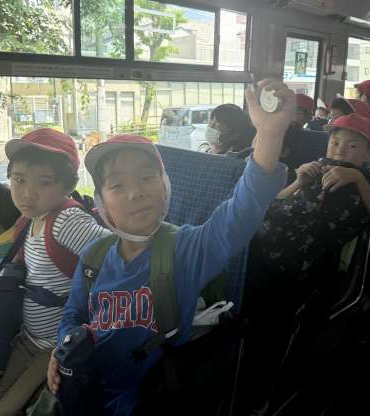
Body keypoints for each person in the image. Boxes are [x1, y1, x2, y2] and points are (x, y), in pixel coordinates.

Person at [46, 80, 294, 415]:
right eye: (117, 185)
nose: (135, 192)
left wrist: (269, 134)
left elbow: (241, 213)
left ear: (164, 189)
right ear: (102, 204)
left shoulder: (185, 249)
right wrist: (62, 349)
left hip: (143, 397)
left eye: (147, 178)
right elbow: (74, 313)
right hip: (83, 388)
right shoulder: (95, 255)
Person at [0, 129, 108, 415]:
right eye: (19, 179)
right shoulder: (29, 219)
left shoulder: (66, 220)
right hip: (26, 337)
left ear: (68, 185)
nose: (27, 192)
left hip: (54, 346)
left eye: (44, 182)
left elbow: (118, 254)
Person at [256, 113, 370, 286]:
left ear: (369, 154)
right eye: (335, 143)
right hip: (267, 231)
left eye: (351, 145)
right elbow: (275, 200)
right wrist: (299, 182)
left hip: (298, 254)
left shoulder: (368, 181)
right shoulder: (317, 169)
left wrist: (358, 178)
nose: (340, 150)